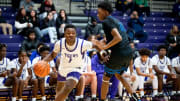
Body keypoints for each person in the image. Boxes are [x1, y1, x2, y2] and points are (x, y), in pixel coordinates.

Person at [92, 2, 138, 100]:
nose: (97, 14)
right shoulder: (116, 21)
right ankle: (135, 97)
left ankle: (103, 99)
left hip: (119, 53)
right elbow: (118, 38)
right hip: (128, 53)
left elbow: (118, 38)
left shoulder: (106, 21)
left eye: (99, 12)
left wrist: (104, 47)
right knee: (119, 75)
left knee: (106, 77)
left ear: (105, 11)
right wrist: (105, 43)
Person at [40, 24, 95, 101]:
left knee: (68, 87)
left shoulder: (83, 43)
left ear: (76, 34)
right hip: (63, 68)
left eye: (73, 33)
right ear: (64, 34)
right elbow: (52, 55)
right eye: (68, 33)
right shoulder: (59, 43)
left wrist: (103, 50)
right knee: (59, 92)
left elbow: (95, 45)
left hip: (76, 68)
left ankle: (78, 97)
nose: (71, 35)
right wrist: (43, 62)